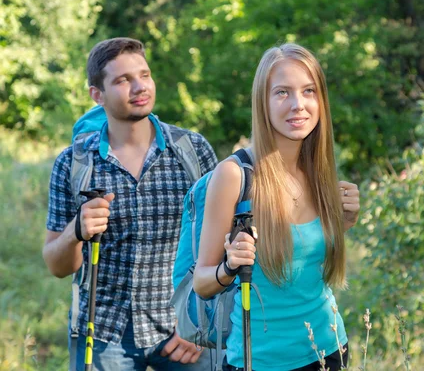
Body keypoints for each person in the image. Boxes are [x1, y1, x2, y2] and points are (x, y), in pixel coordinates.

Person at [43, 37, 217, 370]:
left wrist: (201, 323)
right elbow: (56, 264)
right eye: (123, 80)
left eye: (144, 75)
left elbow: (223, 245)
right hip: (104, 334)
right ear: (98, 95)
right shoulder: (74, 163)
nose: (139, 86)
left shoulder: (193, 152)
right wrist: (75, 232)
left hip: (184, 332)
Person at [193, 43, 360, 371]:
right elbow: (202, 281)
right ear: (263, 103)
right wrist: (230, 266)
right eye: (282, 93)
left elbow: (304, 258)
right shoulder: (234, 175)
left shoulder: (318, 168)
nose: (298, 105)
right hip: (262, 361)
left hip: (329, 350)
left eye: (308, 91)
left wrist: (343, 222)